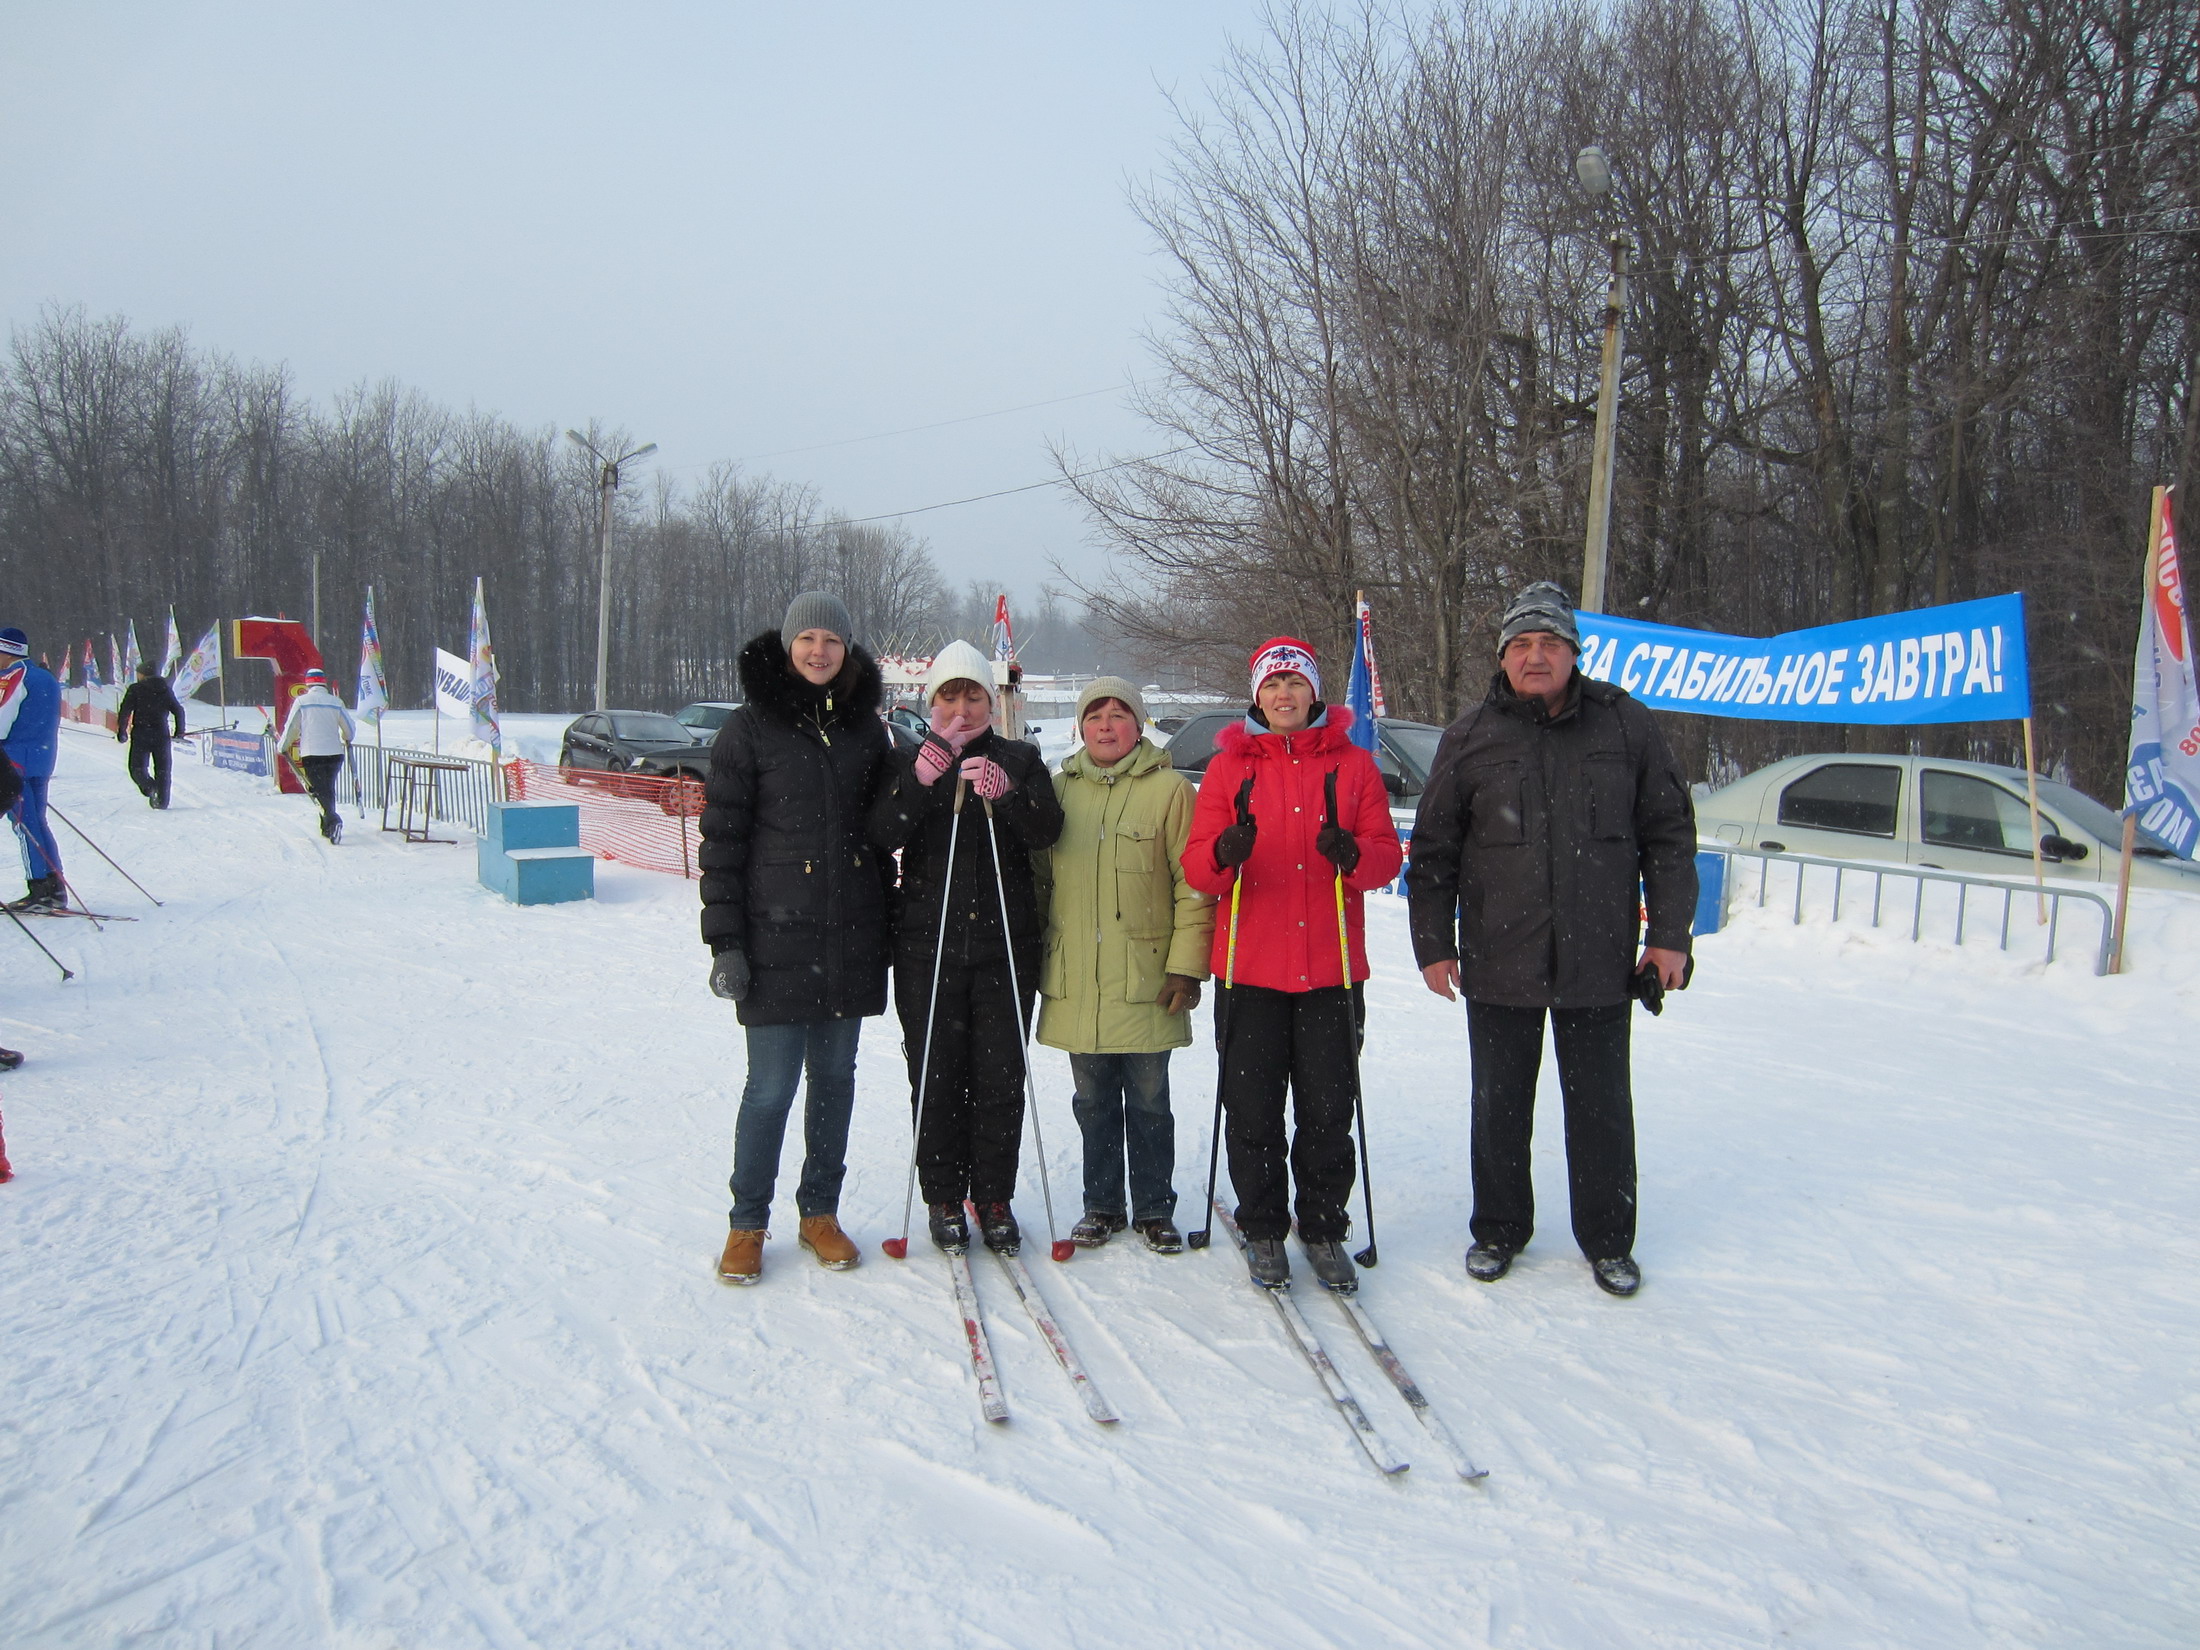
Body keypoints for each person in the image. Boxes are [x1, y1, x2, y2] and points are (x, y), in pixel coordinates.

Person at [1406, 581, 1697, 1298]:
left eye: (1551, 644)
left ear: (1574, 653)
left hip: (1599, 957)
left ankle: (1607, 1240)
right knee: (1499, 1104)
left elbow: (1669, 835)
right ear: (1504, 657)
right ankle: (1499, 1229)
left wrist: (1668, 936)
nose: (1537, 656)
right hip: (1499, 955)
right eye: (1523, 645)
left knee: (1601, 1107)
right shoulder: (1470, 736)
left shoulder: (1625, 725)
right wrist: (1433, 944)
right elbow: (1434, 850)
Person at [1182, 638, 1402, 1291]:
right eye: (1273, 685)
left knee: (1328, 1108)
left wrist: (1352, 856)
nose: (1284, 696)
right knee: (1252, 1109)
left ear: (1313, 693)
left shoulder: (1353, 765)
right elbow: (1198, 869)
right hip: (1248, 971)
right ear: (1257, 696)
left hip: (1330, 969)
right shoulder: (1228, 769)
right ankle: (1263, 1228)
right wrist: (1225, 849)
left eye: (1295, 684)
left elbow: (1387, 858)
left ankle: (1325, 1227)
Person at [697, 592, 895, 1286]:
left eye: (831, 640)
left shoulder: (868, 731)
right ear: (787, 647)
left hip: (848, 938)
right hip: (774, 941)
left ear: (847, 650)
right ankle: (747, 1224)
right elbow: (722, 844)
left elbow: (885, 835)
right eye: (807, 637)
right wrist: (725, 943)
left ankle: (820, 1212)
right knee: (772, 1088)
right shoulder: (748, 732)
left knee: (835, 1082)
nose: (819, 650)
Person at [869, 638, 1063, 1255]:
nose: (962, 708)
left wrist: (1007, 794)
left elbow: (1046, 831)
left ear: (989, 699)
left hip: (1004, 941)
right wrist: (920, 779)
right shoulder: (908, 755)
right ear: (932, 703)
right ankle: (944, 1195)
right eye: (949, 695)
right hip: (927, 943)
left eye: (973, 694)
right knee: (935, 1073)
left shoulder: (1021, 757)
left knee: (1001, 1074)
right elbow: (881, 832)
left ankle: (994, 1194)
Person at [1038, 677, 1213, 1254]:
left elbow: (1194, 888)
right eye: (1095, 715)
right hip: (1079, 981)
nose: (1107, 725)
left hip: (1148, 980)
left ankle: (1155, 1207)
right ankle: (1102, 1204)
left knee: (1148, 1101)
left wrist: (1187, 967)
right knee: (1092, 1103)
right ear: (1079, 727)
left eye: (1119, 715)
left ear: (1140, 726)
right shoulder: (1058, 791)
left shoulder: (1170, 792)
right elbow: (1038, 886)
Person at [0, 628, 65, 911]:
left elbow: (2, 719)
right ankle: (54, 885)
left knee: (23, 824)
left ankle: (38, 888)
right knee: (38, 821)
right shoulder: (45, 676)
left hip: (15, 761)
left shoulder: (14, 676)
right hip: (42, 758)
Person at [276, 668, 355, 841]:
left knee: (318, 790)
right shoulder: (336, 702)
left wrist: (283, 746)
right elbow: (349, 728)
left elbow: (292, 728)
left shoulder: (302, 702)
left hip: (312, 753)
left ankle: (333, 820)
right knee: (328, 787)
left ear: (308, 683)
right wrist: (346, 737)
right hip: (334, 753)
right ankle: (327, 826)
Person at [116, 661, 187, 809]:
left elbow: (125, 712)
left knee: (136, 768)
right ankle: (162, 801)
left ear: (142, 674)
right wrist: (179, 731)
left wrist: (122, 731)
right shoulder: (165, 689)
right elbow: (178, 710)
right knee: (163, 769)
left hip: (141, 733)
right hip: (162, 733)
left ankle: (150, 787)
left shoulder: (135, 689)